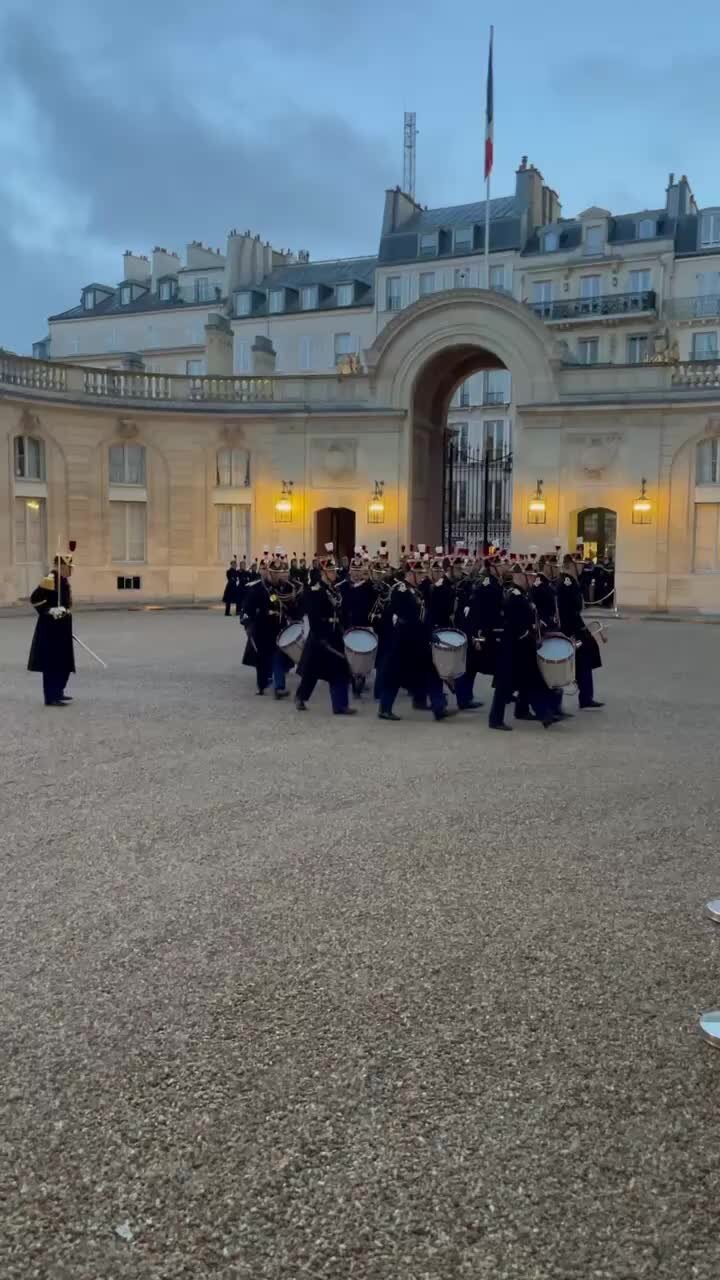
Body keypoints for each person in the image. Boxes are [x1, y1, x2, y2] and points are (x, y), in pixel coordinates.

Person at [376, 560, 455, 722]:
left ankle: (438, 708)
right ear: (410, 574)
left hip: (418, 640)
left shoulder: (416, 591)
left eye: (422, 573)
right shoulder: (401, 589)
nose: (422, 576)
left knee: (432, 672)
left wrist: (428, 631)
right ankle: (384, 709)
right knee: (394, 675)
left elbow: (423, 614)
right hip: (403, 640)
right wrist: (425, 632)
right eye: (419, 573)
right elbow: (405, 615)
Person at [488, 567, 555, 731]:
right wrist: (530, 630)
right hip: (512, 647)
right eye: (529, 576)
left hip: (523, 646)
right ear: (519, 576)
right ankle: (495, 720)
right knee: (504, 685)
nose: (533, 579)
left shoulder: (524, 594)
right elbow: (514, 623)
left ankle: (537, 713)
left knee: (531, 679)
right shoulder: (514, 596)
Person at [295, 556, 354, 715]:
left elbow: (341, 611)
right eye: (330, 571)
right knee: (312, 671)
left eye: (334, 570)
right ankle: (301, 697)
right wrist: (319, 635)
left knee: (340, 669)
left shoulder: (334, 589)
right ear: (323, 572)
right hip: (320, 637)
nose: (334, 573)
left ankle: (340, 705)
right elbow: (313, 616)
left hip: (335, 634)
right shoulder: (315, 591)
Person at [241, 554, 299, 699]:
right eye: (277, 574)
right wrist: (248, 625)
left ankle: (279, 687)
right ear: (270, 573)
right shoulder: (258, 589)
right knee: (262, 660)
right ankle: (262, 685)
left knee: (278, 656)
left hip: (279, 628)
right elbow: (247, 610)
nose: (280, 576)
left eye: (281, 573)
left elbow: (290, 608)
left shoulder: (284, 588)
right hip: (262, 629)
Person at [557, 556, 604, 709]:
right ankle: (585, 697)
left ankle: (586, 696)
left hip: (576, 626)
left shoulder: (572, 581)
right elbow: (568, 610)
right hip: (571, 629)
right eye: (579, 565)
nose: (582, 567)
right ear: (571, 565)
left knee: (586, 659)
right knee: (582, 661)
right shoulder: (567, 583)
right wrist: (571, 633)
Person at [28, 555, 75, 707]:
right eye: (69, 567)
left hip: (62, 627)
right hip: (50, 628)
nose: (71, 570)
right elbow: (35, 599)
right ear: (61, 566)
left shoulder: (63, 580)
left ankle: (59, 691)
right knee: (52, 663)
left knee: (63, 660)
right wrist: (49, 610)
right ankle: (50, 696)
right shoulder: (51, 578)